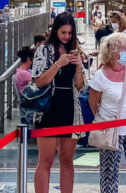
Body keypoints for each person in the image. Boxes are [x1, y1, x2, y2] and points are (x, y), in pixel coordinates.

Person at [32, 13, 86, 193]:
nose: (67, 36)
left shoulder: (74, 50)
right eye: (63, 32)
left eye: (70, 33)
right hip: (48, 108)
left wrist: (78, 67)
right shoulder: (44, 50)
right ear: (55, 31)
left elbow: (80, 86)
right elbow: (39, 81)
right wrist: (58, 64)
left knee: (67, 160)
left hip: (70, 109)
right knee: (45, 160)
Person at [89, 33, 126, 193]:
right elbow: (93, 102)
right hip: (110, 130)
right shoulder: (100, 76)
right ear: (113, 51)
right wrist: (104, 120)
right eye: (125, 49)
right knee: (109, 172)